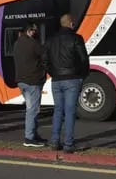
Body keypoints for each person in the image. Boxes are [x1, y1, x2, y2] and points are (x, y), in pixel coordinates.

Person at [42, 14, 89, 153]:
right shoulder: (76, 38)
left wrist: (53, 73)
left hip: (57, 80)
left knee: (58, 110)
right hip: (72, 78)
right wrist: (82, 76)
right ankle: (68, 144)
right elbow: (84, 60)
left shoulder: (50, 40)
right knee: (69, 112)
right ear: (70, 23)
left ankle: (55, 141)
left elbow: (44, 61)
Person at [12, 22, 46, 147]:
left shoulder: (17, 43)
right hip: (33, 80)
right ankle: (29, 138)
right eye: (33, 30)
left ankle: (33, 135)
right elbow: (44, 55)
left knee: (30, 109)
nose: (35, 32)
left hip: (21, 80)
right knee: (33, 110)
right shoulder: (33, 43)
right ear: (29, 31)